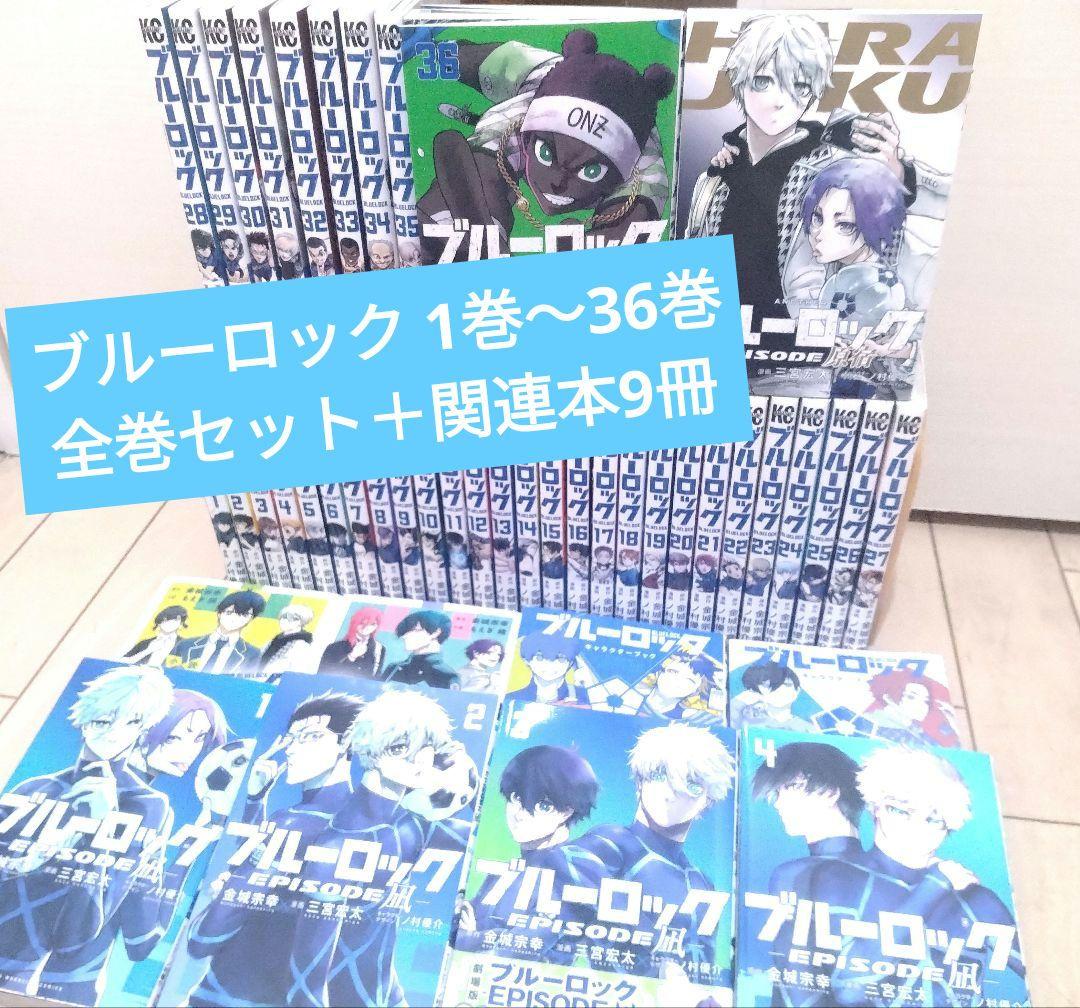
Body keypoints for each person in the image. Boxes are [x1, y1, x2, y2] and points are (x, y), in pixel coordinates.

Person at [285, 691, 481, 1006]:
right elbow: (306, 984)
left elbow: (484, 843)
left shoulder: (415, 822)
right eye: (400, 748)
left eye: (425, 749)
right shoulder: (337, 845)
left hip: (390, 994)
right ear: (369, 750)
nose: (418, 761)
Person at [416, 29, 675, 264]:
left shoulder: (644, 162)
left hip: (603, 135)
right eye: (546, 153)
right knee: (487, 153)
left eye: (591, 171)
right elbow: (476, 60)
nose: (557, 184)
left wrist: (602, 245)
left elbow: (637, 216)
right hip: (533, 95)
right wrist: (431, 49)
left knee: (631, 218)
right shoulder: (524, 103)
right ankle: (446, 220)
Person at [0, 667, 174, 1002]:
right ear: (83, 720)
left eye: (132, 721)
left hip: (22, 980)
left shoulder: (146, 804)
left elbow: (76, 936)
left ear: (145, 728)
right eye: (103, 720)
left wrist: (99, 826)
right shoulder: (35, 787)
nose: (114, 733)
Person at [184, 691, 363, 1006]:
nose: (292, 748)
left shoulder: (300, 822)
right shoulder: (352, 822)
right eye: (291, 738)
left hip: (231, 993)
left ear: (346, 742)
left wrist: (228, 892)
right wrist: (256, 801)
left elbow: (204, 938)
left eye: (311, 736)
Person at [560, 724, 735, 983]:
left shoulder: (702, 884)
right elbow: (559, 872)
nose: (671, 793)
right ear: (640, 781)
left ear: (707, 800)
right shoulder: (610, 843)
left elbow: (702, 970)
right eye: (659, 775)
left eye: (692, 785)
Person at [455, 745, 599, 961]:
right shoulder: (501, 873)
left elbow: (517, 950)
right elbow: (459, 930)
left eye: (543, 806)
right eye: (516, 798)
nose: (521, 814)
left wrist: (472, 938)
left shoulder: (572, 869)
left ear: (567, 811)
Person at [173, 590, 267, 676]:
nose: (234, 618)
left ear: (250, 619)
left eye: (244, 614)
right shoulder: (185, 644)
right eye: (229, 612)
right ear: (219, 613)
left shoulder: (252, 654)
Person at [865, 665, 960, 748]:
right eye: (911, 697)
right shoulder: (872, 726)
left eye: (926, 701)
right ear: (888, 698)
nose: (920, 705)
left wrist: (955, 725)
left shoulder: (915, 731)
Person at [380, 609, 459, 689]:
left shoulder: (447, 676)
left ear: (436, 632)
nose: (405, 636)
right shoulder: (393, 669)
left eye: (415, 630)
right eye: (405, 631)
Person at [637, 651, 723, 722]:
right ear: (660, 672)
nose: (677, 680)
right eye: (672, 671)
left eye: (689, 680)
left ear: (696, 690)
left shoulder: (695, 717)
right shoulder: (633, 693)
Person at [729, 660, 813, 731]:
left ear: (797, 691)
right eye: (775, 685)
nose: (781, 690)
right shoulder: (747, 719)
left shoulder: (806, 728)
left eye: (787, 685)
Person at [508, 631, 582, 704]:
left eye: (560, 658)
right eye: (540, 657)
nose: (550, 665)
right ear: (527, 661)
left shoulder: (584, 697)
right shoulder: (511, 698)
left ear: (570, 663)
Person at [319, 605, 386, 680]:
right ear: (355, 623)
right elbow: (322, 675)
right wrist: (351, 657)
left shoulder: (379, 649)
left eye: (372, 624)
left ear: (376, 626)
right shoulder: (334, 647)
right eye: (362, 623)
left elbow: (375, 678)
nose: (366, 627)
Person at [259, 604, 316, 682]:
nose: (283, 621)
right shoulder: (276, 639)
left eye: (289, 618)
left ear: (299, 622)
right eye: (282, 617)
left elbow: (293, 671)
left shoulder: (300, 645)